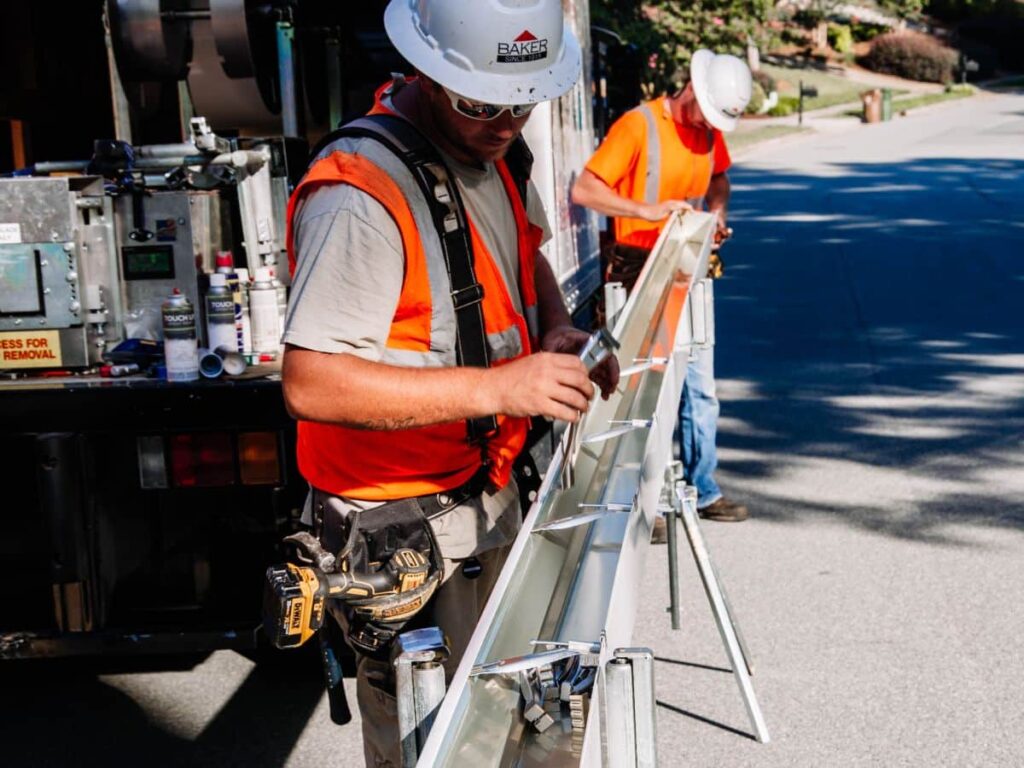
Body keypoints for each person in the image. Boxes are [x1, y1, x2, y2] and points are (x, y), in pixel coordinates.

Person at [281, 1, 618, 765]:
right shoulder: (360, 196)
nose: (503, 123)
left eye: (521, 103)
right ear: (423, 71)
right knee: (439, 746)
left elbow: (524, 254)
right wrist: (502, 389)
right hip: (402, 530)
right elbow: (310, 383)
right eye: (479, 103)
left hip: (483, 491)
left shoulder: (494, 149)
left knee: (511, 734)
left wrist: (554, 329)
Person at [572, 49, 752, 529]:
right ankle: (640, 502)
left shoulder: (709, 131)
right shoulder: (638, 126)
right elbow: (585, 190)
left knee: (699, 386)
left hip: (687, 265)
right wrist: (645, 210)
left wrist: (717, 215)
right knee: (645, 391)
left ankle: (703, 488)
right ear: (692, 88)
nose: (709, 123)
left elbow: (719, 180)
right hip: (638, 270)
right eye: (708, 111)